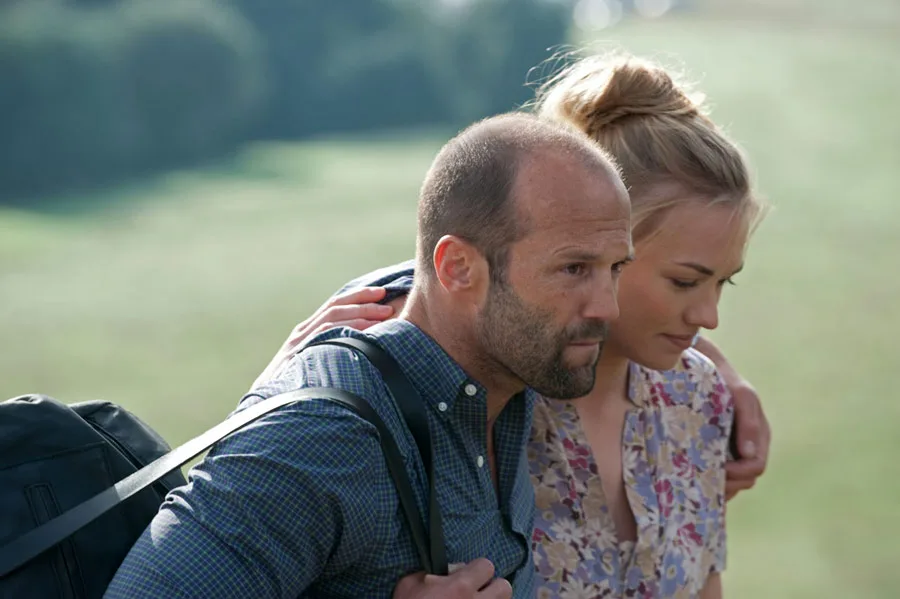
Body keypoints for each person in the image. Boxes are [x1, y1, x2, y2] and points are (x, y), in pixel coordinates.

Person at [254, 53, 771, 597]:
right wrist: (276, 390)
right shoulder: (481, 407)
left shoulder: (698, 397)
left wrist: (723, 370)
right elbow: (464, 272)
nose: (709, 315)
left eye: (724, 282)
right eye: (685, 281)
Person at [105, 112, 634, 598]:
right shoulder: (322, 437)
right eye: (573, 269)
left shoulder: (516, 364)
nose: (608, 308)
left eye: (615, 268)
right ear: (458, 269)